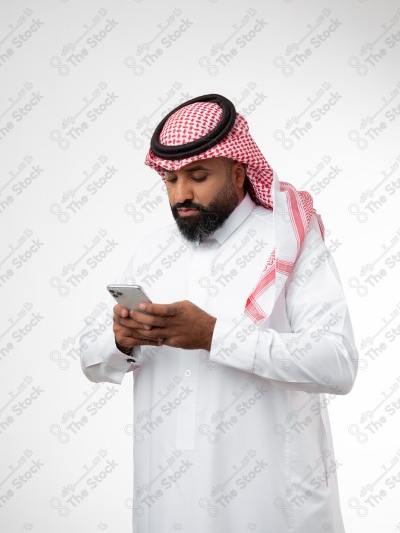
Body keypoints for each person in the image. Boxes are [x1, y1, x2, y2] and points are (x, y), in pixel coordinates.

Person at [80, 93, 358, 533]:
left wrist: (213, 335)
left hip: (271, 504)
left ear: (239, 170)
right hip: (167, 502)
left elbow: (338, 363)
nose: (181, 194)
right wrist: (122, 340)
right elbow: (90, 359)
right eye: (170, 180)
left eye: (198, 176)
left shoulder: (288, 241)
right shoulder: (152, 251)